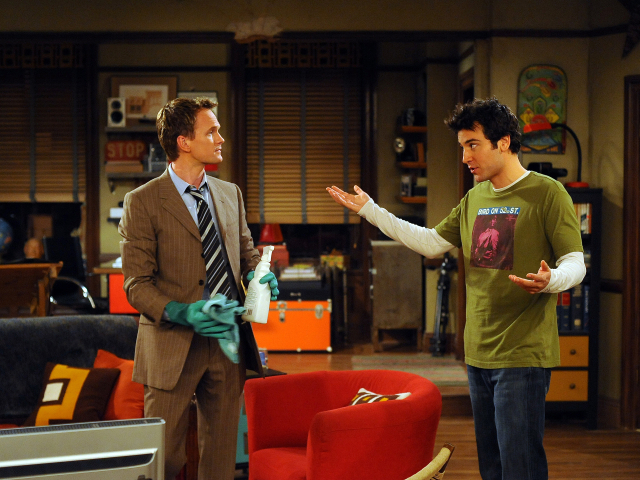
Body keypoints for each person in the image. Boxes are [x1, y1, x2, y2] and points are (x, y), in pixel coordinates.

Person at [327, 97, 585, 480]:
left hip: (522, 353)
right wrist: (371, 211)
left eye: (473, 145)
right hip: (477, 351)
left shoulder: (548, 193)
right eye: (463, 146)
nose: (465, 157)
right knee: (491, 467)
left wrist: (553, 280)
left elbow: (576, 262)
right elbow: (431, 242)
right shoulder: (474, 197)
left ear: (503, 142)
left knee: (521, 466)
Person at [119, 97, 278, 480]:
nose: (221, 138)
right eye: (212, 131)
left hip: (227, 344)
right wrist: (182, 311)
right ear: (184, 142)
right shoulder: (142, 202)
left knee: (220, 461)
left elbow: (246, 254)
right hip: (171, 345)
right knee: (163, 461)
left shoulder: (229, 193)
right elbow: (136, 285)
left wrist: (258, 275)